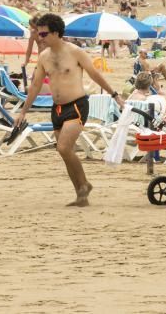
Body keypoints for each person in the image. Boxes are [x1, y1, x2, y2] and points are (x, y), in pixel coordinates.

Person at [13, 14, 125, 207]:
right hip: (56, 108)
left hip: (76, 105)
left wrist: (115, 95)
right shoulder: (43, 57)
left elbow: (94, 74)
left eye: (44, 34)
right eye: (39, 34)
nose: (40, 38)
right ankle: (81, 194)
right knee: (66, 153)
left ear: (56, 33)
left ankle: (85, 185)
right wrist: (23, 112)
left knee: (63, 147)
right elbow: (35, 86)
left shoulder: (75, 52)